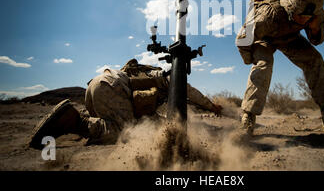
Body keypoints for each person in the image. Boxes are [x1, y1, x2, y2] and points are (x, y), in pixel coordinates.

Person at [236, 0, 324, 137]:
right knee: (264, 64)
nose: (304, 19)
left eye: (308, 17)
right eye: (300, 15)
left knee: (314, 60)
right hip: (264, 38)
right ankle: (248, 117)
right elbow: (242, 40)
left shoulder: (316, 10)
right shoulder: (267, 15)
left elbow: (317, 40)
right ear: (289, 7)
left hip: (289, 37)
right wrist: (250, 59)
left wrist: (315, 27)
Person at [29, 59, 222, 149]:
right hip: (111, 87)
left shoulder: (139, 74)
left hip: (97, 85)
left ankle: (65, 123)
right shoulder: (163, 77)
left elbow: (147, 116)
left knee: (118, 123)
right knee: (122, 132)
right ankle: (72, 121)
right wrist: (212, 106)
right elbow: (187, 90)